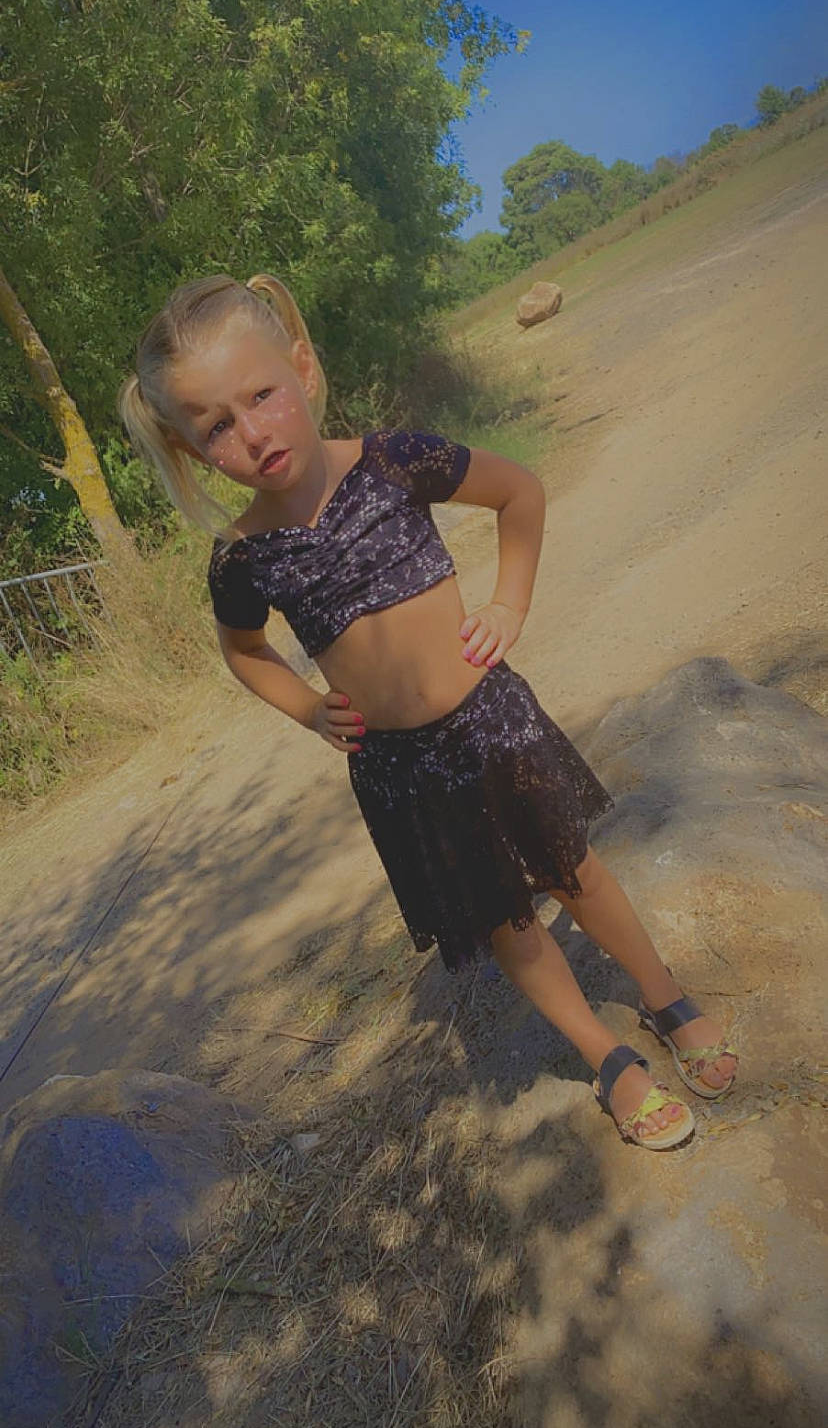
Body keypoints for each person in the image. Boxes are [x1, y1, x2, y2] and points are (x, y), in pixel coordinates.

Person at [118, 272, 739, 1153]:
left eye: (261, 396)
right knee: (506, 919)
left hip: (491, 721)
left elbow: (519, 493)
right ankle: (604, 1055)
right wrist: (310, 711)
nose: (251, 433)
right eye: (216, 425)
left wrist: (509, 603)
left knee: (576, 871)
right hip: (401, 771)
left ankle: (665, 996)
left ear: (302, 368)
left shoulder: (394, 462)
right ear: (189, 448)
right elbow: (244, 651)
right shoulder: (242, 560)